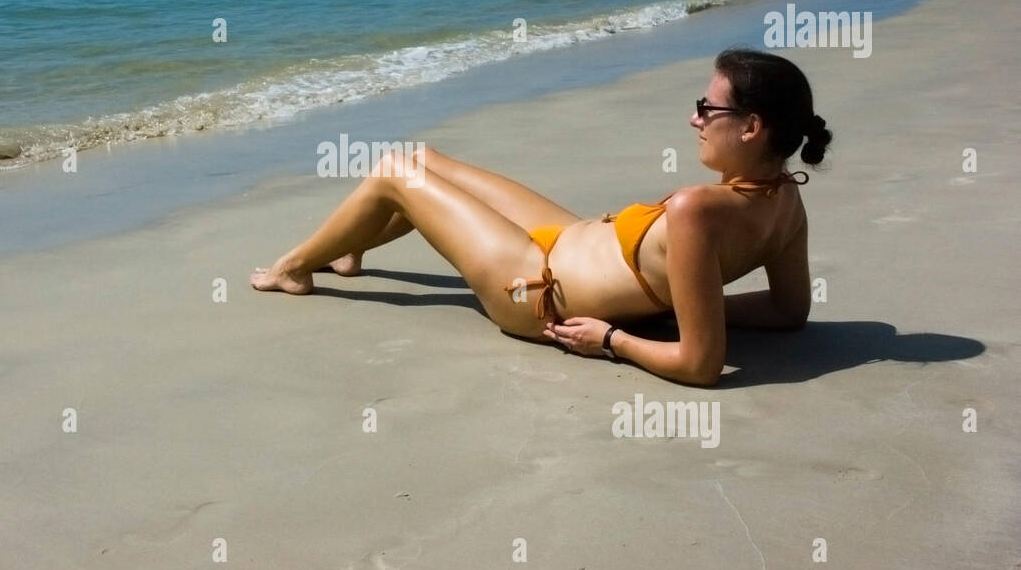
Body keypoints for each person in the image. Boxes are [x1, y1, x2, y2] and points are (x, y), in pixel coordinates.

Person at [251, 47, 833, 386]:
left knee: (392, 173)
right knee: (421, 158)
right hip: (568, 238)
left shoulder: (698, 210)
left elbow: (702, 366)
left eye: (708, 108)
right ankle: (352, 246)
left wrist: (613, 338)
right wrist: (688, 305)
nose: (694, 119)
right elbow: (789, 310)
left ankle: (294, 268)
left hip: (537, 288)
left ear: (752, 127)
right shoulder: (785, 199)